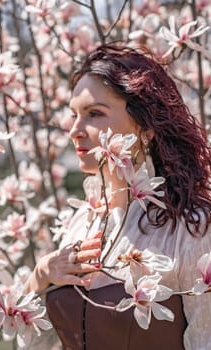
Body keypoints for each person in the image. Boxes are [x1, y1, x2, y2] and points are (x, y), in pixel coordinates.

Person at [26, 44, 211, 350]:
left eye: (94, 114)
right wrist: (41, 275)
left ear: (145, 126)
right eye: (74, 115)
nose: (75, 130)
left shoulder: (192, 228)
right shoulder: (81, 222)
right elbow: (38, 342)